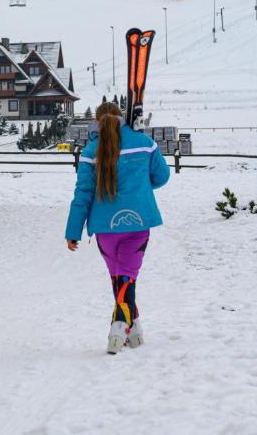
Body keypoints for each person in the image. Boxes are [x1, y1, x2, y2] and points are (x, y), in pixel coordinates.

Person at [65, 101, 170, 354]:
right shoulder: (145, 143)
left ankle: (132, 332)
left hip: (105, 228)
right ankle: (120, 327)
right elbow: (162, 176)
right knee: (126, 279)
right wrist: (140, 190)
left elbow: (83, 194)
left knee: (120, 279)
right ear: (123, 118)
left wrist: (73, 231)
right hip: (138, 223)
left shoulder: (91, 151)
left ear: (96, 122)